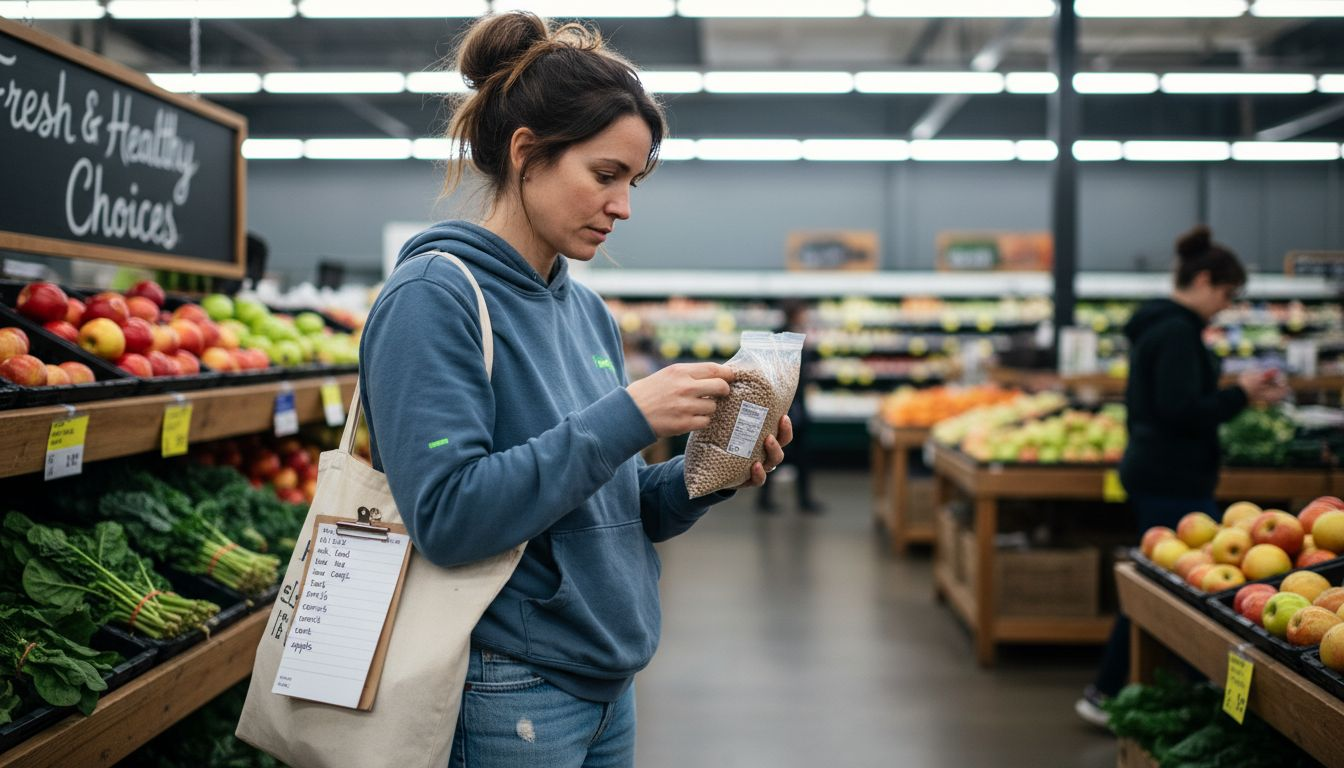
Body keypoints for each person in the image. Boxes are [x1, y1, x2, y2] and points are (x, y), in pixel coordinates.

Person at [358, 12, 792, 767]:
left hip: (608, 683)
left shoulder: (586, 310)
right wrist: (627, 415)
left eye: (633, 181)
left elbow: (606, 511)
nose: (623, 206)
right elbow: (449, 517)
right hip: (506, 688)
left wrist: (705, 473)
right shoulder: (434, 297)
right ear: (527, 154)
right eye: (605, 175)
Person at [1076, 225, 1288, 726]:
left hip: (1161, 472)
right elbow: (1179, 410)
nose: (1225, 306)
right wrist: (1240, 395)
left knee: (1168, 582)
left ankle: (1129, 690)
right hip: (1171, 477)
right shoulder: (1174, 331)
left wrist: (1233, 388)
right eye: (1226, 294)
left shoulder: (1164, 326)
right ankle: (1111, 691)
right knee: (1174, 586)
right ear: (1206, 280)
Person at [756, 299, 824, 514]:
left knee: (796, 454)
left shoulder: (799, 334)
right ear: (795, 313)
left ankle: (801, 500)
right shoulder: (782, 337)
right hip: (785, 404)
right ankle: (768, 499)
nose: (806, 315)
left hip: (796, 403)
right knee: (777, 452)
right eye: (803, 311)